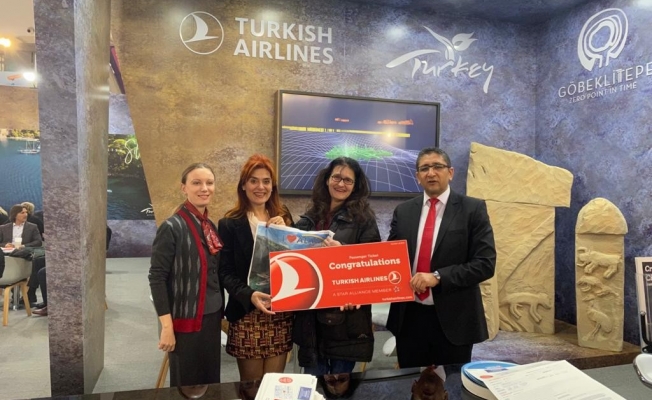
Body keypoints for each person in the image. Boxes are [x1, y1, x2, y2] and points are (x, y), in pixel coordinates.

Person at [386, 147, 496, 368]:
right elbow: (390, 258)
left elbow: (485, 264)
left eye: (437, 166)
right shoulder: (403, 211)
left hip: (455, 319)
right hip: (409, 318)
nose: (431, 173)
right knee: (411, 382)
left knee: (451, 384)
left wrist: (438, 277)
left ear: (450, 172)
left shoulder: (472, 209)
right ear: (417, 177)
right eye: (424, 168)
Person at [293, 157, 380, 375]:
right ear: (327, 180)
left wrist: (342, 252)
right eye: (336, 177)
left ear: (355, 186)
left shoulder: (365, 219)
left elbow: (374, 264)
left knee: (339, 386)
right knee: (314, 385)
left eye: (348, 180)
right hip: (311, 320)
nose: (341, 184)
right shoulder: (310, 217)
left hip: (345, 322)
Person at [218, 154, 294, 382]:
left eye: (266, 181)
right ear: (243, 185)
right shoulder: (230, 223)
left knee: (273, 387)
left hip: (279, 312)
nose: (260, 187)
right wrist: (249, 295)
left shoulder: (284, 217)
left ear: (273, 186)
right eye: (254, 180)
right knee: (251, 388)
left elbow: (296, 261)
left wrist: (287, 232)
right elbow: (224, 272)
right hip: (247, 312)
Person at [148, 163, 224, 386]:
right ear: (184, 188)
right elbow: (157, 278)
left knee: (211, 381)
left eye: (209, 183)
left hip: (212, 315)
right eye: (196, 183)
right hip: (185, 318)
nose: (204, 188)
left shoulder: (210, 226)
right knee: (186, 384)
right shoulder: (172, 227)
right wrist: (166, 328)